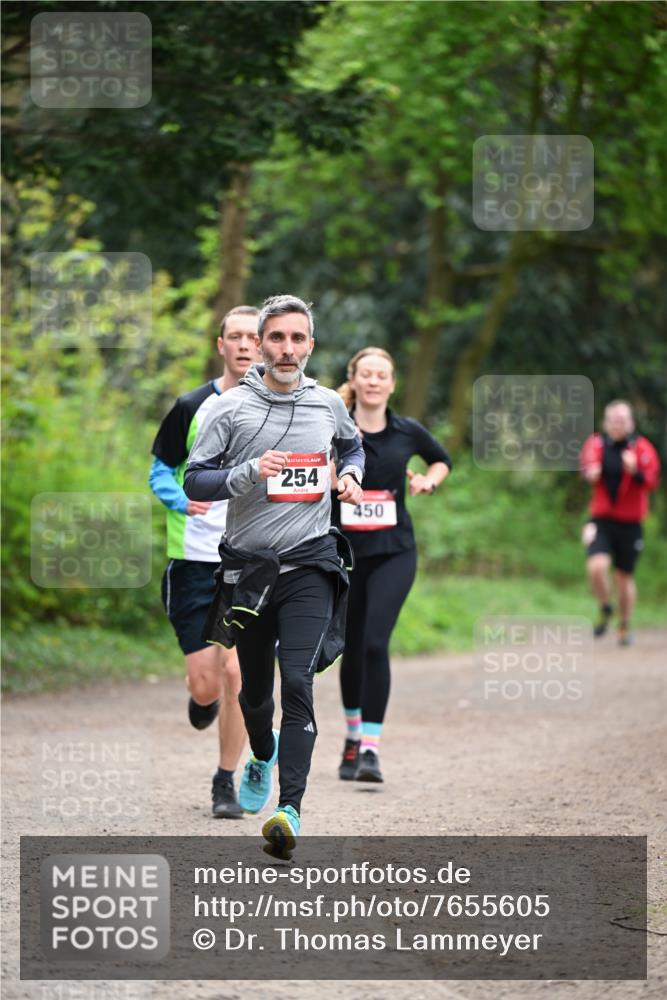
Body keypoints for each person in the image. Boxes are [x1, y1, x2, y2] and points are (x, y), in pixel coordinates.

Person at [184, 294, 364, 854]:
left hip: (311, 562)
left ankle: (290, 809)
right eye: (277, 338)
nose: (287, 349)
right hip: (249, 571)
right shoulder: (230, 409)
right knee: (256, 694)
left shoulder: (328, 403)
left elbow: (353, 446)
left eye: (298, 339)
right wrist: (246, 473)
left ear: (311, 345)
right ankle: (263, 751)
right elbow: (195, 481)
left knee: (300, 678)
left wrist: (351, 477)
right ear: (259, 344)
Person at [149, 305, 261, 818]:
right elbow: (159, 473)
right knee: (207, 681)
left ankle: (225, 781)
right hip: (193, 561)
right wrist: (180, 499)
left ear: (264, 346)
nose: (243, 345)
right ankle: (201, 698)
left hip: (249, 559)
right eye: (234, 336)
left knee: (239, 670)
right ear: (221, 345)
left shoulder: (279, 408)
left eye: (252, 337)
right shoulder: (191, 406)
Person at [332, 347, 452, 784]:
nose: (374, 381)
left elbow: (442, 460)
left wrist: (427, 481)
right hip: (343, 554)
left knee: (375, 644)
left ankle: (369, 749)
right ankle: (350, 735)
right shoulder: (335, 428)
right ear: (354, 379)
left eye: (382, 374)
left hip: (393, 550)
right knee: (351, 644)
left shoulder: (407, 431)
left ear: (392, 383)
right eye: (366, 374)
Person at [580, 399, 660, 645]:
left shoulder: (642, 449)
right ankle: (606, 607)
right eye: (613, 420)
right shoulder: (595, 445)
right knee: (596, 568)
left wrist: (635, 470)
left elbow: (651, 482)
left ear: (631, 423)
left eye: (622, 420)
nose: (617, 424)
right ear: (605, 423)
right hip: (601, 519)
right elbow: (586, 469)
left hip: (630, 523)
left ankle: (624, 625)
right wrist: (590, 474)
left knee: (624, 577)